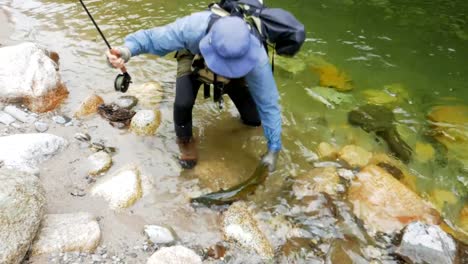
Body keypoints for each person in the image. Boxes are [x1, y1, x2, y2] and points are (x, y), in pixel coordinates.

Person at [106, 10, 281, 172]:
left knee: (254, 120)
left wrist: (273, 149)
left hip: (237, 68)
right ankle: (185, 142)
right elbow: (151, 39)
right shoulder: (193, 29)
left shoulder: (256, 58)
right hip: (193, 56)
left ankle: (236, 126)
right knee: (183, 103)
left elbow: (269, 105)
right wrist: (125, 51)